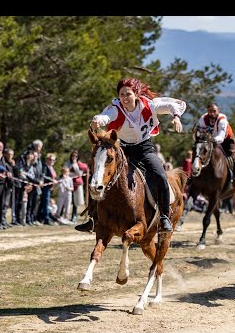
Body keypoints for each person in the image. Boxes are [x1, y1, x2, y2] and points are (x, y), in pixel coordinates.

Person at [75, 77, 186, 234]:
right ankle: (93, 218)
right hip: (123, 149)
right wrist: (98, 121)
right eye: (122, 95)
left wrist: (176, 117)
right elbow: (106, 116)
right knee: (97, 176)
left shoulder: (149, 105)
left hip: (144, 148)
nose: (125, 98)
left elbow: (170, 105)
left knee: (160, 175)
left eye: (128, 94)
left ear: (136, 93)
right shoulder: (116, 108)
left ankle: (164, 217)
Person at [196, 102, 235, 189]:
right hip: (209, 141)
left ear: (218, 111)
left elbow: (221, 137)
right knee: (198, 153)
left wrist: (211, 140)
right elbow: (200, 131)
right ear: (207, 111)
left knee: (232, 158)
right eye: (210, 111)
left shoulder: (222, 120)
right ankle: (194, 174)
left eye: (214, 111)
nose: (212, 113)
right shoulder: (203, 119)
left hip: (226, 141)